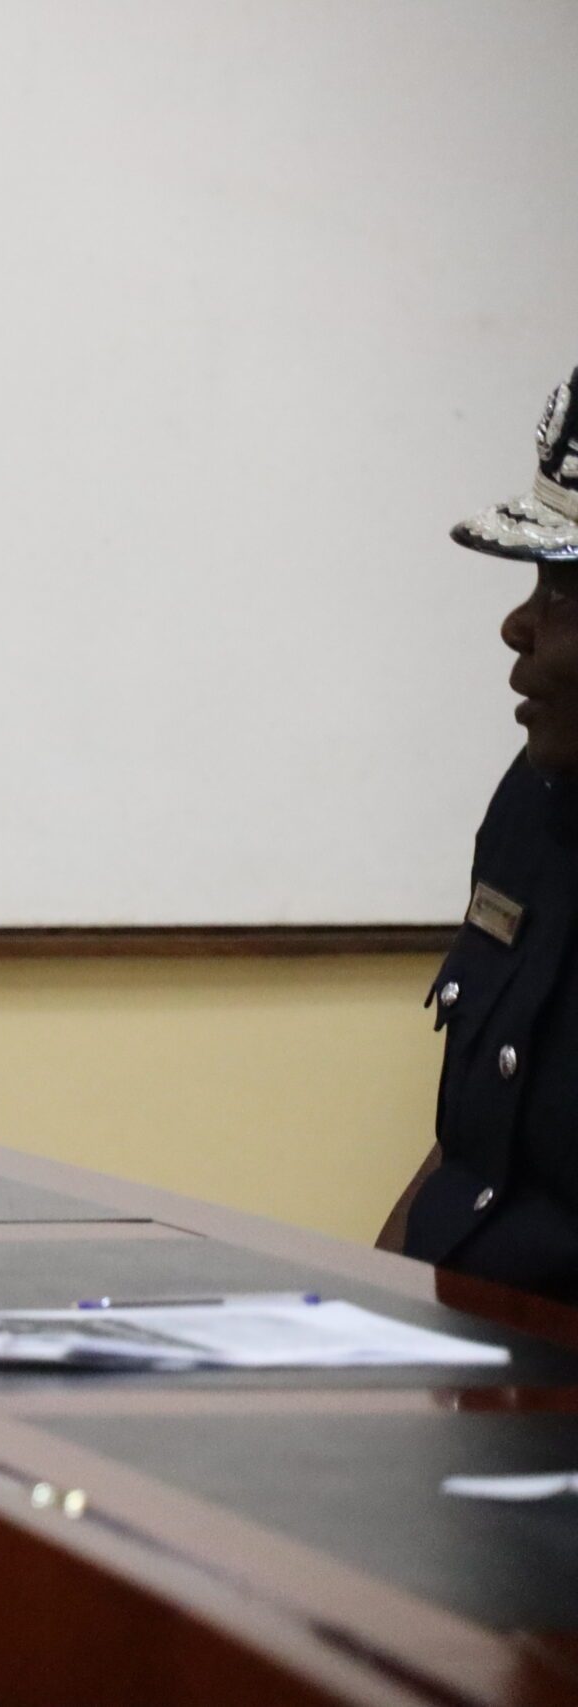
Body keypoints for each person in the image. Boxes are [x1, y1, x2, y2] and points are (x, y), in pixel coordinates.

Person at [380, 365, 578, 1297]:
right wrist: (356, 1308)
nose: (517, 625)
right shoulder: (533, 803)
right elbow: (470, 1160)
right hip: (458, 1370)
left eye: (564, 595)